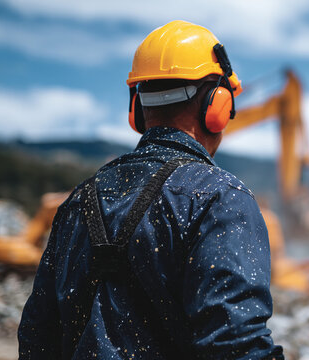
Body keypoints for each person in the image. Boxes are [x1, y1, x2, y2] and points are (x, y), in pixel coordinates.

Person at [18, 20, 284, 359]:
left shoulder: (77, 201)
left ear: (137, 108)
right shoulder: (220, 198)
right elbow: (236, 346)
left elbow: (36, 337)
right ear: (217, 106)